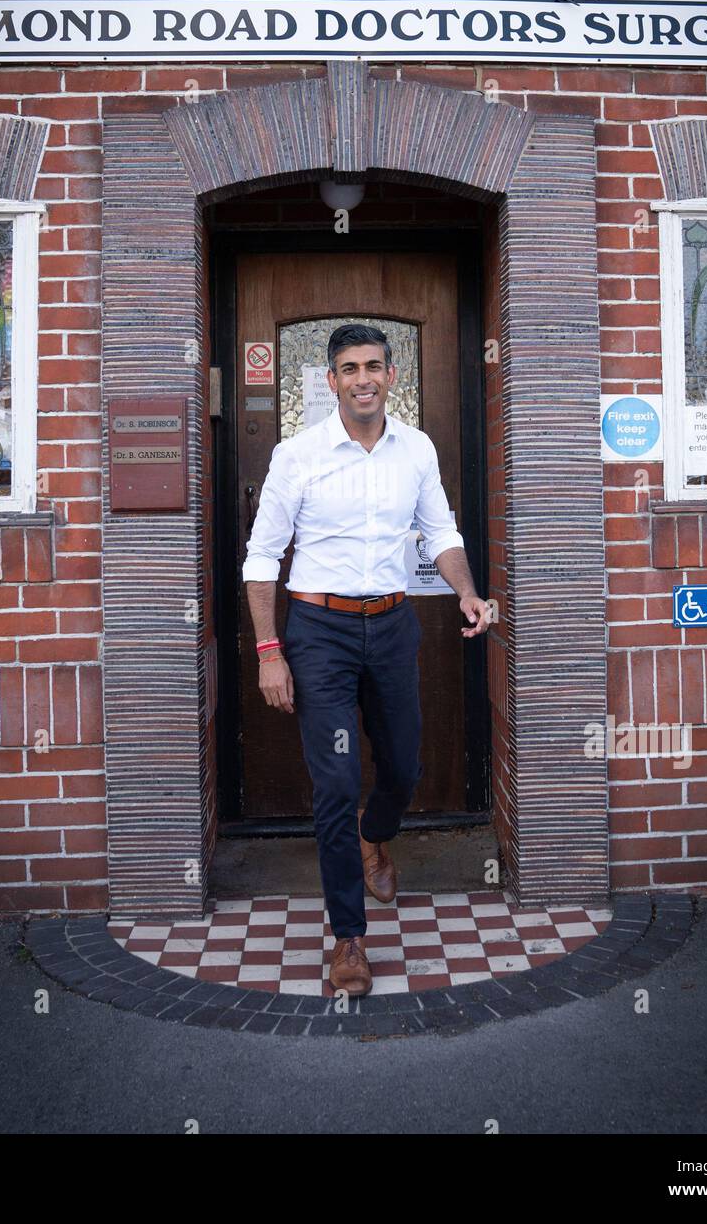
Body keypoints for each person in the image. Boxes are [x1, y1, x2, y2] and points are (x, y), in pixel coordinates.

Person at [240, 323, 490, 995]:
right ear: (331, 381)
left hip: (391, 624)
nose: (363, 378)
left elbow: (440, 531)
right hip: (318, 629)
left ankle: (374, 835)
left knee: (405, 765)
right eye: (349, 367)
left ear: (391, 374)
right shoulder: (298, 455)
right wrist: (270, 651)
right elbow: (263, 557)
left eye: (374, 365)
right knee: (337, 781)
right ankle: (348, 939)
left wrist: (466, 591)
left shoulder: (417, 450)